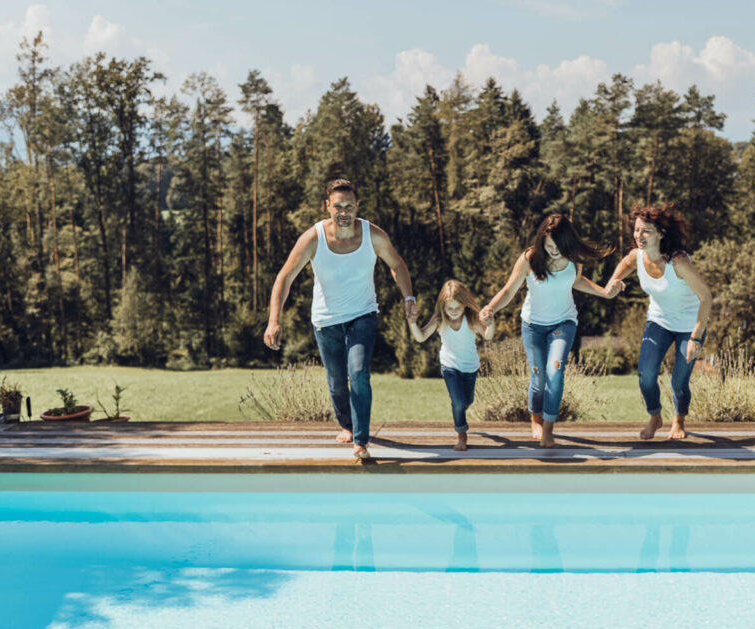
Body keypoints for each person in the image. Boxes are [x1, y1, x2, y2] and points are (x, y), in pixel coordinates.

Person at [263, 178, 418, 461]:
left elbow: (397, 265)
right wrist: (274, 319)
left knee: (358, 373)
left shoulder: (374, 235)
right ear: (327, 207)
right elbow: (284, 277)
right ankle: (347, 424)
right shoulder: (313, 238)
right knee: (336, 381)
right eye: (338, 206)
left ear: (357, 205)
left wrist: (409, 298)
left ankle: (360, 440)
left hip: (363, 315)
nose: (344, 211)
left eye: (349, 206)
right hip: (326, 321)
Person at [480, 214, 621, 448]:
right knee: (538, 377)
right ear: (541, 242)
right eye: (549, 247)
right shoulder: (530, 258)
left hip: (563, 323)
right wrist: (490, 308)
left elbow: (576, 281)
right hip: (533, 325)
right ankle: (534, 419)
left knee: (555, 372)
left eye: (558, 247)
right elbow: (508, 290)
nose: (554, 252)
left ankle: (548, 428)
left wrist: (605, 292)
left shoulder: (574, 260)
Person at [606, 204, 712, 440]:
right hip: (659, 322)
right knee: (645, 375)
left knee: (679, 381)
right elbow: (625, 263)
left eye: (646, 231)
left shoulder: (679, 263)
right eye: (636, 230)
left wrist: (696, 336)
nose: (639, 236)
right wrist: (614, 281)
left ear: (661, 234)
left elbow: (706, 297)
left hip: (689, 326)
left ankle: (679, 421)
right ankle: (655, 417)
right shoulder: (637, 256)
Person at [407, 280, 495, 451]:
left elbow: (488, 336)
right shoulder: (439, 319)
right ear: (443, 307)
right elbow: (421, 337)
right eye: (450, 308)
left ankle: (457, 408)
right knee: (459, 402)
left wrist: (491, 324)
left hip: (470, 368)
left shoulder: (471, 318)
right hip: (450, 366)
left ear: (465, 306)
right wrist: (412, 322)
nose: (453, 312)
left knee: (467, 401)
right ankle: (462, 435)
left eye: (458, 308)